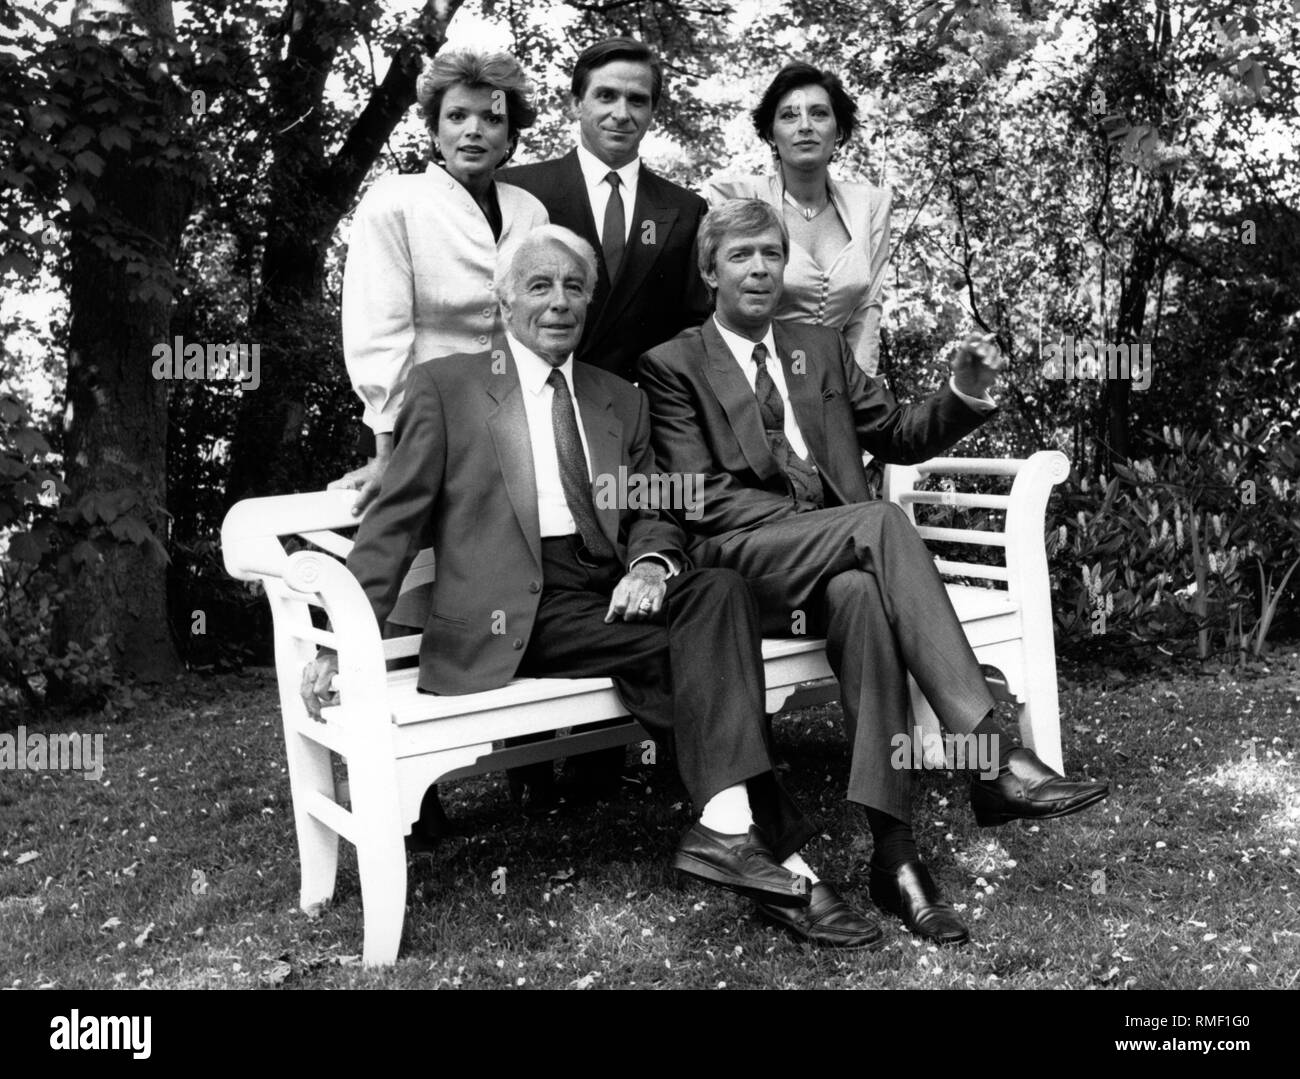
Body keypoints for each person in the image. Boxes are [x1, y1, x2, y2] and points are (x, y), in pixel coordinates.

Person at [301, 227, 889, 949]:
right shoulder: (448, 386)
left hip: (608, 592)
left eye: (574, 288)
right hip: (515, 610)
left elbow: (649, 509)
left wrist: (650, 565)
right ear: (505, 296)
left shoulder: (619, 398)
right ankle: (785, 863)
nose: (558, 302)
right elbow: (394, 521)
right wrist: (339, 636)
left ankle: (733, 833)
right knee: (694, 655)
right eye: (540, 285)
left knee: (719, 593)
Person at [637, 199, 1110, 946]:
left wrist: (964, 392)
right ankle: (989, 757)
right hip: (743, 559)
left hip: (839, 560)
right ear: (709, 271)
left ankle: (897, 861)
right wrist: (812, 521)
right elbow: (696, 492)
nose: (759, 268)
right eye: (740, 256)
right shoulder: (673, 364)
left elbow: (895, 433)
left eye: (770, 253)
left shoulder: (816, 346)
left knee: (862, 597)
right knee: (880, 523)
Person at [332, 47, 549, 512]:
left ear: (510, 133)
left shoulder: (530, 212)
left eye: (491, 119)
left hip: (512, 428)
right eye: (456, 116)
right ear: (434, 129)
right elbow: (378, 330)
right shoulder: (395, 202)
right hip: (417, 426)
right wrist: (387, 453)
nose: (474, 130)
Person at [499, 37, 711, 384]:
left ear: (652, 114)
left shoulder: (685, 209)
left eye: (637, 100)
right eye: (606, 95)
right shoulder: (518, 190)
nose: (622, 114)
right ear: (576, 104)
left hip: (645, 407)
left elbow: (696, 323)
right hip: (537, 398)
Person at [705, 62, 890, 377]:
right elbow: (718, 302)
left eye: (819, 113)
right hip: (752, 381)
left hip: (839, 386)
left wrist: (859, 401)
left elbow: (866, 312)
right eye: (789, 115)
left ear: (840, 130)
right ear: (770, 134)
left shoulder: (870, 204)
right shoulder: (733, 196)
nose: (805, 126)